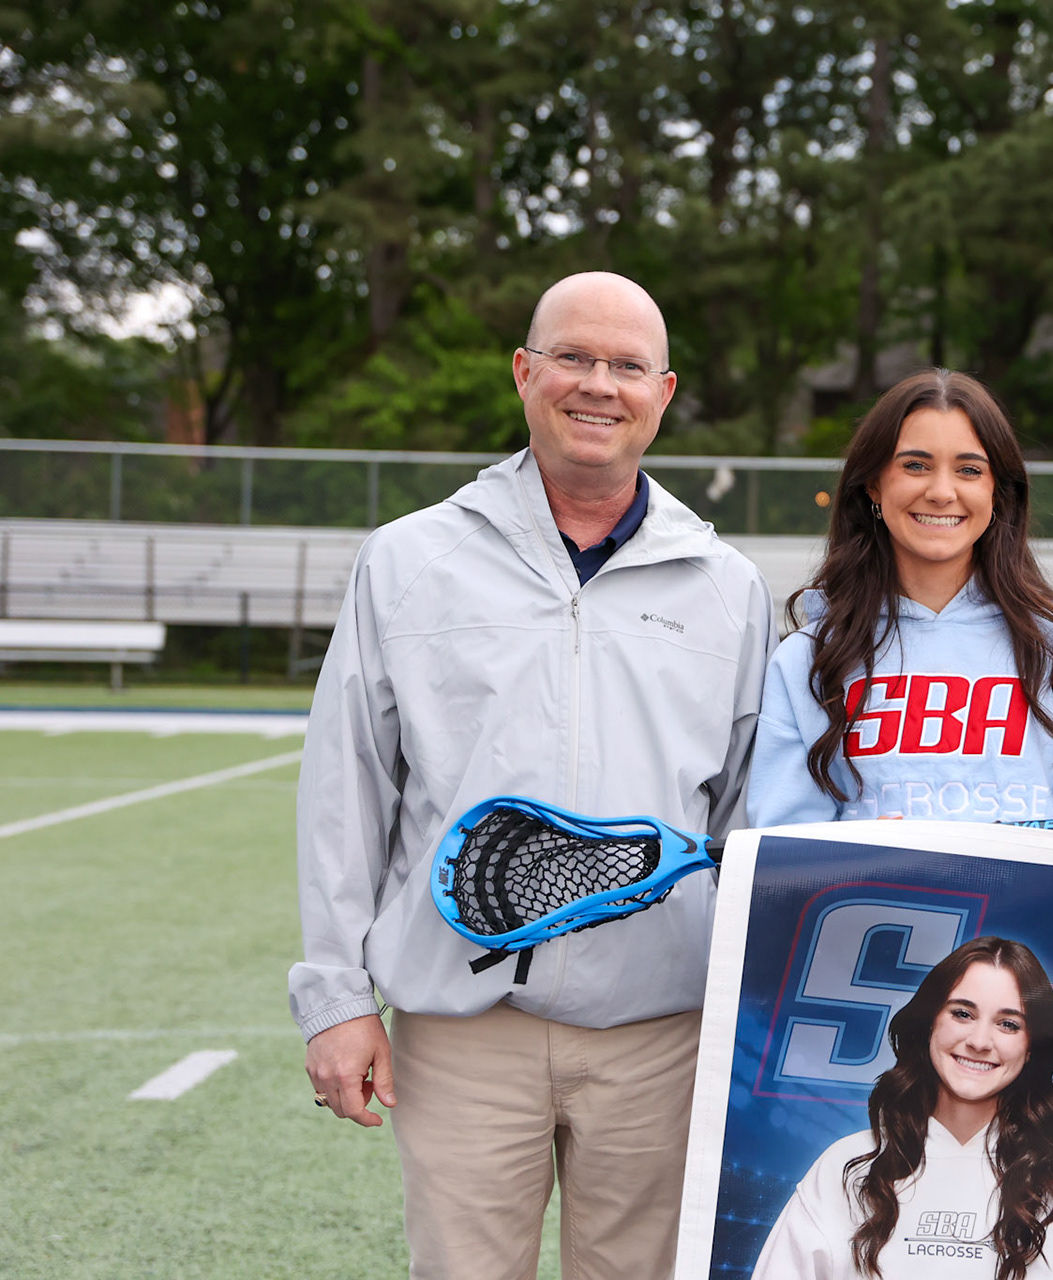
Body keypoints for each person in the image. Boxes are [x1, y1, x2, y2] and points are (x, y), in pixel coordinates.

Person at [293, 272, 775, 1279]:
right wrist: (337, 997)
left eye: (627, 365)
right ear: (524, 372)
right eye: (573, 357)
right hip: (463, 1033)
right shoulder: (408, 560)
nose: (599, 384)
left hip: (660, 1035)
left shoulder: (727, 587)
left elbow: (743, 810)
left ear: (663, 393)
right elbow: (348, 789)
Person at [749, 368, 1053, 827]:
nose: (941, 492)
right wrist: (863, 854)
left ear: (997, 492)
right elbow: (783, 849)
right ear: (874, 483)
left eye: (969, 470)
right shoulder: (810, 657)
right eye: (915, 466)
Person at [751, 937, 1053, 1280]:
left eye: (1008, 1024)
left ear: (1031, 1047)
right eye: (962, 1014)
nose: (979, 1041)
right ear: (930, 1024)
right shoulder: (848, 1165)